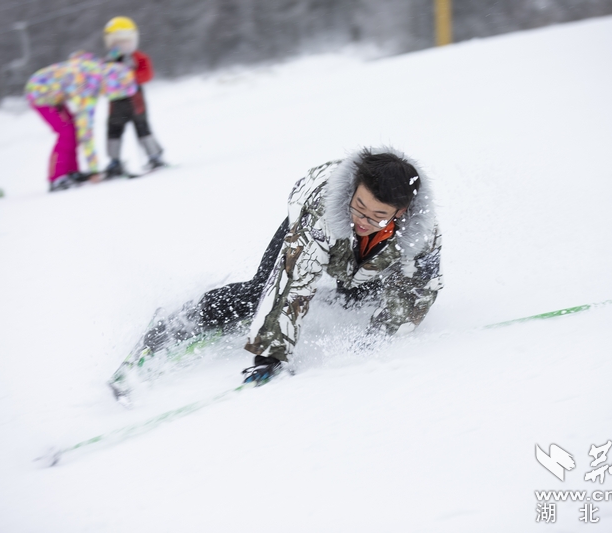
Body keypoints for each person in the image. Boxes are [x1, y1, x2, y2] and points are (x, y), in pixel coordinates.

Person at [122, 146, 443, 391]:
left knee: (364, 294)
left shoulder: (421, 232)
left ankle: (343, 290)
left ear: (401, 213)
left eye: (377, 216)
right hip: (311, 228)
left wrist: (377, 339)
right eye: (359, 207)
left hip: (367, 257)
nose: (363, 219)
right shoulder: (323, 210)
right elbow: (294, 279)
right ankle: (181, 319)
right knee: (259, 293)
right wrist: (270, 354)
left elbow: (416, 291)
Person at [25, 51, 137, 192]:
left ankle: (72, 172)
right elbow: (86, 130)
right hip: (39, 93)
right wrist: (94, 170)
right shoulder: (88, 86)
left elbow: (78, 56)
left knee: (72, 130)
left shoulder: (98, 70)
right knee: (66, 132)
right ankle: (57, 178)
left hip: (51, 92)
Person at [102, 16, 166, 177]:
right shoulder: (108, 62)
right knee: (113, 130)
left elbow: (147, 75)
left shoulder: (139, 58)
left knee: (143, 127)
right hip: (116, 103)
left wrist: (130, 76)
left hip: (136, 101)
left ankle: (154, 156)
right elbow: (101, 82)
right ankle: (114, 161)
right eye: (119, 42)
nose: (123, 46)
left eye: (126, 42)